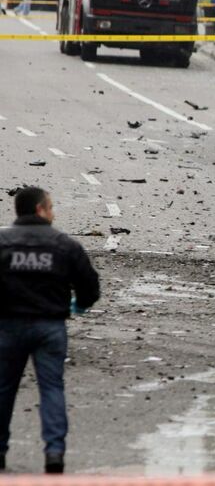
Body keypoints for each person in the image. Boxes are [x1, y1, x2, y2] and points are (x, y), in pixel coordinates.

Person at [0, 187, 100, 474]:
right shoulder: (65, 245)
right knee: (52, 388)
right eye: (52, 207)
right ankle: (54, 453)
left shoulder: (2, 242)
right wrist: (77, 306)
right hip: (50, 327)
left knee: (3, 389)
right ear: (40, 210)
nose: (54, 213)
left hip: (7, 327)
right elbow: (90, 288)